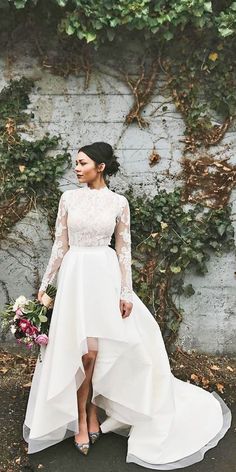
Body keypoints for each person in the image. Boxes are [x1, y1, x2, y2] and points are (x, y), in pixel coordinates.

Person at [23, 141, 232, 468]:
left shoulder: (119, 203)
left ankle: (93, 409)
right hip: (76, 277)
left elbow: (123, 249)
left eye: (82, 163)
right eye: (75, 163)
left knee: (99, 350)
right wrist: (46, 284)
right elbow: (59, 245)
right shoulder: (68, 198)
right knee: (83, 350)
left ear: (100, 166)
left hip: (104, 277)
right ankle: (81, 416)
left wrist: (125, 291)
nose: (76, 168)